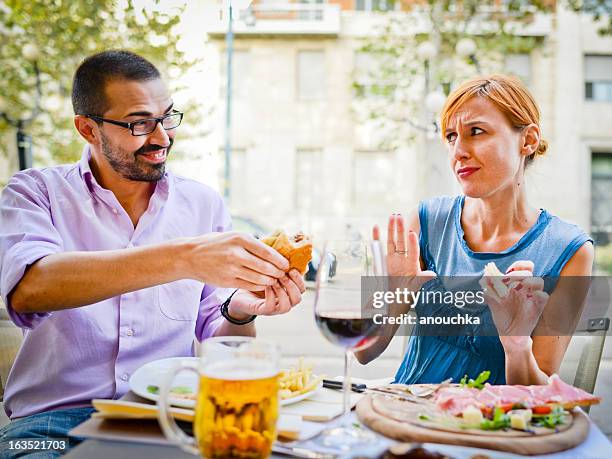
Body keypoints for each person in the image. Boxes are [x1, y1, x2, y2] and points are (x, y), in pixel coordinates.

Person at [0, 50, 305, 456]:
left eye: (166, 118)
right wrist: (185, 257)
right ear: (88, 129)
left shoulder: (202, 203)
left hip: (168, 418)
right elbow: (31, 287)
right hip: (48, 425)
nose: (161, 138)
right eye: (139, 123)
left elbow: (218, 337)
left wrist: (241, 309)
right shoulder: (34, 192)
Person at [357, 74, 594, 387]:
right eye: (452, 136)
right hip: (406, 419)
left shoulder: (569, 250)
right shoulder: (425, 224)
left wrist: (517, 345)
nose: (458, 151)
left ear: (528, 140)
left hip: (489, 432)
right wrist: (393, 293)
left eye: (476, 132)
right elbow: (363, 351)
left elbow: (539, 396)